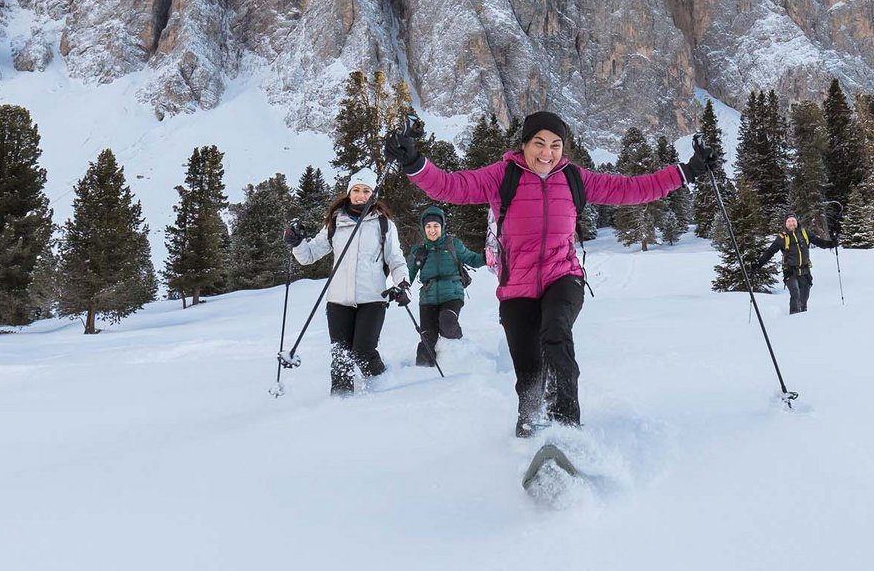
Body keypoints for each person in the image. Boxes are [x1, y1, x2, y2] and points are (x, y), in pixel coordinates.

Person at [383, 111, 712, 437]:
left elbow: (632, 189)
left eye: (556, 145)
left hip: (563, 277)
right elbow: (452, 187)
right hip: (516, 289)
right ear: (524, 144)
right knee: (529, 372)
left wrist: (687, 172)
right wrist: (414, 162)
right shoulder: (503, 176)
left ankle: (566, 426)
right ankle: (529, 425)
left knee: (556, 334)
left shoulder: (574, 178)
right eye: (539, 143)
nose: (547, 152)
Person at [283, 169, 409, 395]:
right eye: (357, 190)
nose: (361, 195)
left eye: (366, 191)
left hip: (373, 298)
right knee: (340, 356)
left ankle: (384, 389)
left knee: (363, 352)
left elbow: (396, 260)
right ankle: (340, 404)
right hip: (338, 300)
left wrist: (403, 284)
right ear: (349, 192)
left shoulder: (384, 224)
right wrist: (297, 243)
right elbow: (309, 256)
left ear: (374, 194)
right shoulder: (335, 222)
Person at [405, 205, 485, 367]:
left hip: (452, 294)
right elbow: (407, 275)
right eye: (428, 226)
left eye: (436, 226)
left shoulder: (453, 244)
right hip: (427, 298)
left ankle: (460, 350)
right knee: (427, 338)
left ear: (442, 226)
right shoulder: (418, 251)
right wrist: (400, 289)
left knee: (447, 321)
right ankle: (420, 374)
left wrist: (489, 256)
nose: (432, 230)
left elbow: (473, 260)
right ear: (423, 228)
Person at [762, 213, 838, 314]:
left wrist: (831, 244)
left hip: (805, 271)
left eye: (793, 220)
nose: (791, 223)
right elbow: (770, 251)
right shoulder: (782, 237)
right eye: (789, 221)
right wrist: (759, 264)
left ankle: (803, 320)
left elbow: (819, 242)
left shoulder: (804, 233)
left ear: (797, 221)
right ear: (785, 224)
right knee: (795, 294)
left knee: (804, 298)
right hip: (790, 272)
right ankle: (793, 319)